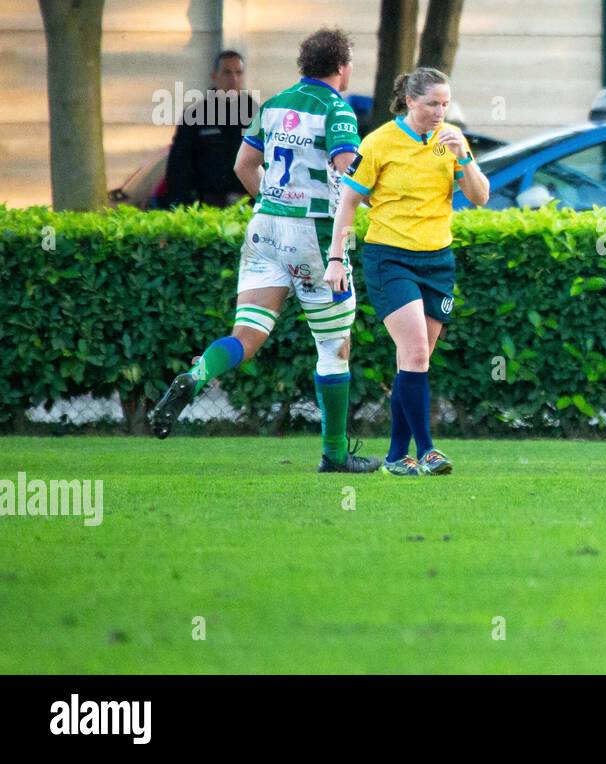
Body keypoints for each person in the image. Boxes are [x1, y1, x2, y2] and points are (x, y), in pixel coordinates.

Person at [151, 28, 382, 474]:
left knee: (247, 336)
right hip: (314, 235)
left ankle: (197, 375)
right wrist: (386, 199)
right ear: (341, 67)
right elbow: (344, 167)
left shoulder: (274, 105)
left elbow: (243, 165)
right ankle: (334, 454)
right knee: (334, 347)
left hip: (264, 227)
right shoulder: (337, 110)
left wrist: (273, 202)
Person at [326, 67, 490, 477]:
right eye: (433, 103)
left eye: (446, 104)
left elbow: (480, 196)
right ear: (411, 101)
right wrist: (335, 258)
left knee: (414, 361)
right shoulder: (379, 142)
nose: (440, 112)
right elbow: (348, 202)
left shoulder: (450, 142)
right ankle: (429, 450)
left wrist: (464, 158)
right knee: (415, 353)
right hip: (390, 258)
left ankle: (398, 455)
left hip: (437, 260)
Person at [162, 51, 256, 207]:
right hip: (208, 206)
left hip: (247, 205)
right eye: (227, 72)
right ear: (214, 76)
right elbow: (179, 165)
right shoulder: (195, 115)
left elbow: (268, 162)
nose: (234, 79)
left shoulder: (256, 115)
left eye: (239, 73)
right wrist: (181, 204)